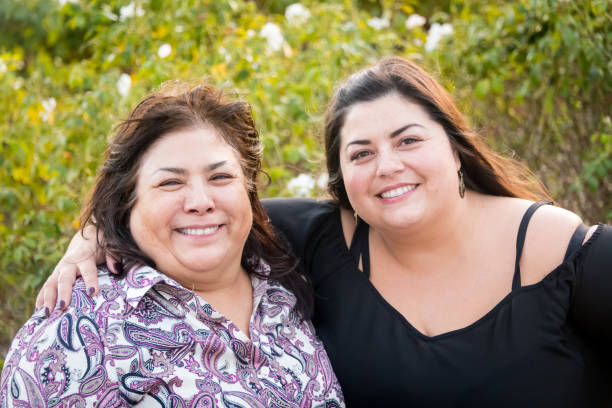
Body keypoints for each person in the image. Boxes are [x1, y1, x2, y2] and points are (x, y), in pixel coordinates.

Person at [33, 57, 612, 407]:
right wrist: (93, 234)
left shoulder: (560, 251)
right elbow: (203, 216)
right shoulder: (317, 241)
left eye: (408, 140)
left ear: (456, 149)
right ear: (343, 183)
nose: (387, 166)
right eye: (361, 153)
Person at [0, 82, 344, 407]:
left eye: (220, 177)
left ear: (249, 189)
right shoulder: (78, 327)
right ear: (126, 201)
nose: (200, 201)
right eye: (169, 182)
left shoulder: (288, 279)